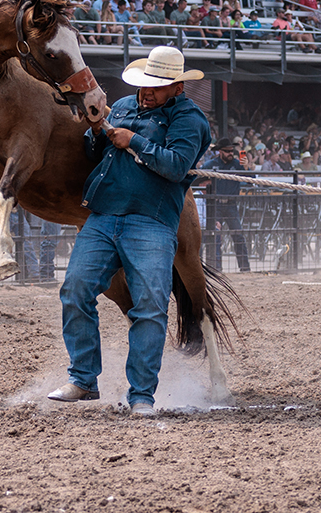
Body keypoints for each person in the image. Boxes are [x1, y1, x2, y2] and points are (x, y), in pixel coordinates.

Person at [49, 46, 211, 417]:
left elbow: (176, 167)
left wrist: (133, 140)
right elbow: (95, 154)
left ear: (177, 88)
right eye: (144, 84)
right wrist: (95, 133)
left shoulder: (190, 120)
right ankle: (84, 378)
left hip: (152, 222)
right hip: (103, 215)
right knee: (75, 289)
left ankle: (142, 395)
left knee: (150, 307)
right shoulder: (120, 106)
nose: (147, 91)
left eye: (157, 86)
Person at [199, 137, 250, 273]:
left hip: (231, 204)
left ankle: (245, 268)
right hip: (215, 205)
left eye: (231, 151)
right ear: (220, 151)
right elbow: (198, 181)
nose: (230, 153)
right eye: (227, 151)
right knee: (215, 236)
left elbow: (251, 181)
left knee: (238, 236)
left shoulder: (238, 164)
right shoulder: (210, 164)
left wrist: (246, 167)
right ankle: (216, 268)